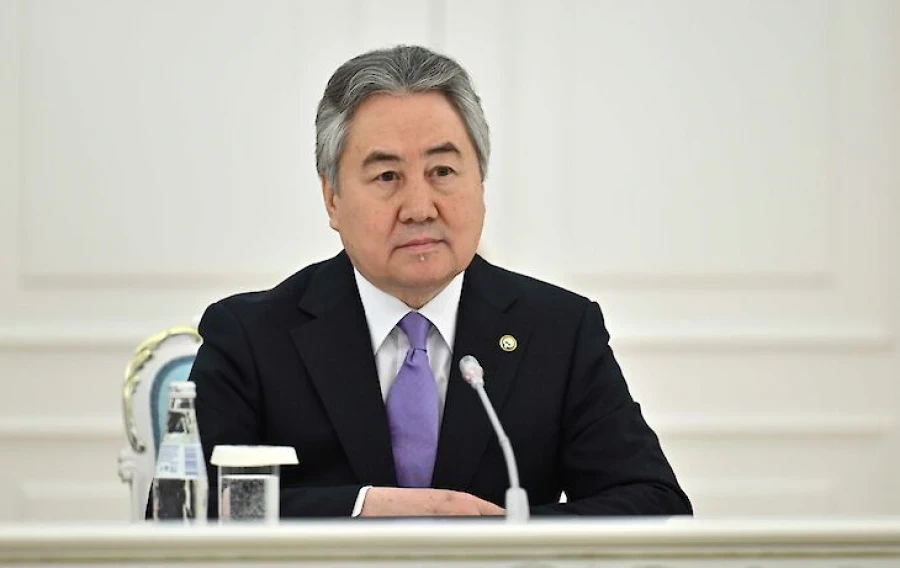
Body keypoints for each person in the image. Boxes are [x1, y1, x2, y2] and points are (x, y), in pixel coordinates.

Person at [190, 45, 692, 517]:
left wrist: (498, 539)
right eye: (387, 177)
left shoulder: (559, 330)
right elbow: (187, 509)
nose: (419, 208)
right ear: (332, 198)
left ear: (481, 183)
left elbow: (655, 504)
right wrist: (366, 509)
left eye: (443, 171)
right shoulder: (251, 335)